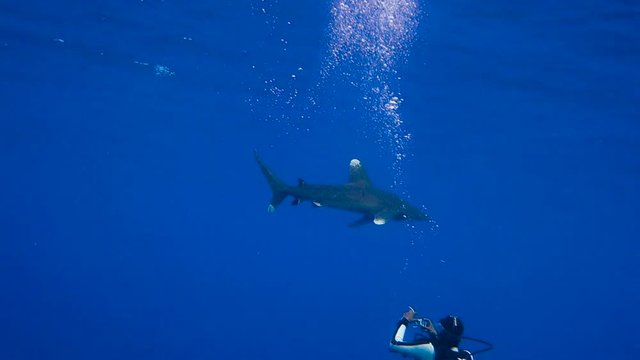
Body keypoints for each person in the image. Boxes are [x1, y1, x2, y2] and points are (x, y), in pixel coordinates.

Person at [389, 307, 474, 360]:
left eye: (440, 328)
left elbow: (394, 344)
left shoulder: (428, 349)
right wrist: (433, 334)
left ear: (445, 334)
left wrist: (405, 320)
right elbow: (447, 348)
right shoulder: (467, 355)